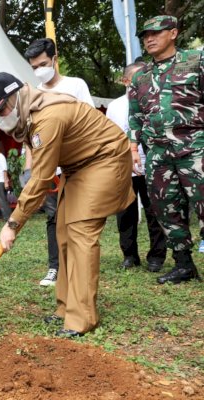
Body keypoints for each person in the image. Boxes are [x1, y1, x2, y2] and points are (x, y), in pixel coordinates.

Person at [0, 72, 134, 337]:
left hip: (105, 159)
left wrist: (12, 224)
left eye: (2, 108)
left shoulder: (47, 117)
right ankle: (65, 308)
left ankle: (82, 318)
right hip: (78, 166)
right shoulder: (30, 113)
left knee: (80, 233)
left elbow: (41, 179)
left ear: (16, 96)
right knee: (63, 230)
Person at [129, 15, 203, 284]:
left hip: (196, 148)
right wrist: (134, 146)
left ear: (173, 33)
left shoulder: (196, 61)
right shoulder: (141, 77)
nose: (148, 39)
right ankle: (184, 265)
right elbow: (135, 115)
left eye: (155, 33)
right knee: (165, 207)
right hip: (159, 154)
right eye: (144, 35)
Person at [23, 38, 96, 287]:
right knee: (54, 218)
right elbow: (31, 137)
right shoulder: (34, 94)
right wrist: (30, 165)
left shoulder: (76, 86)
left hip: (78, 165)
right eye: (34, 67)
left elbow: (91, 121)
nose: (39, 70)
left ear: (55, 60)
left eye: (43, 64)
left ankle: (78, 267)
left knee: (79, 217)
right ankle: (55, 267)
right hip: (50, 169)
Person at [107, 62, 168, 272]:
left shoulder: (155, 100)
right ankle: (130, 256)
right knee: (126, 213)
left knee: (154, 212)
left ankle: (157, 257)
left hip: (151, 165)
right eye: (137, 77)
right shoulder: (114, 106)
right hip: (124, 168)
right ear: (125, 81)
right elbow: (110, 138)